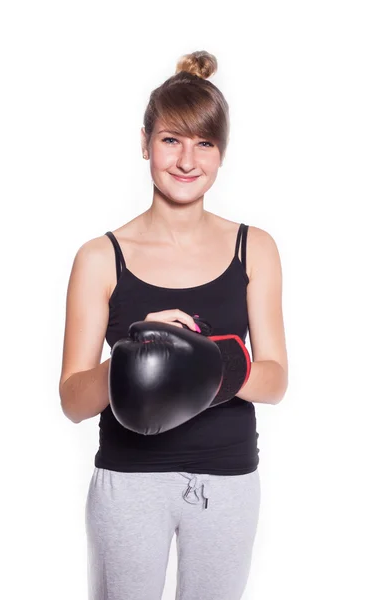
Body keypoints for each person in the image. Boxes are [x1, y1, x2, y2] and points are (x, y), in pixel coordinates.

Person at [59, 50, 288, 600]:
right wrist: (137, 357)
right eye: (171, 140)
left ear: (221, 153)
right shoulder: (99, 256)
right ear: (145, 143)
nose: (187, 160)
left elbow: (276, 379)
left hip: (229, 479)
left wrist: (200, 358)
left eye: (204, 143)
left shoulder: (254, 247)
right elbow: (72, 399)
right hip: (129, 481)